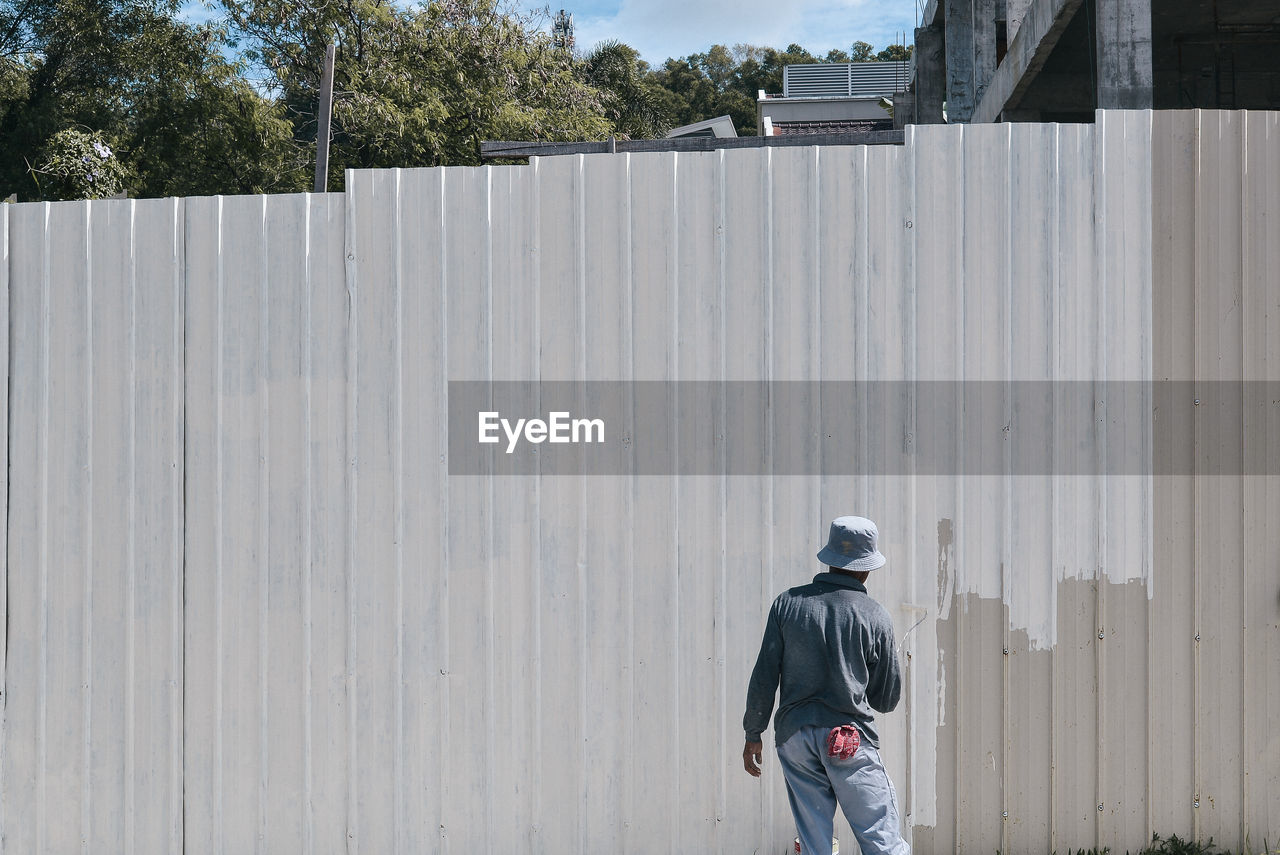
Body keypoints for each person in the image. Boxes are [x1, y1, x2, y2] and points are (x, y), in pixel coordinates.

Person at [742, 515, 909, 855]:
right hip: (846, 740)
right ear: (865, 569)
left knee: (815, 840)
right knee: (881, 836)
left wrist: (752, 734)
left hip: (795, 740)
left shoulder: (787, 604)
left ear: (830, 559)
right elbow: (886, 700)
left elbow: (764, 675)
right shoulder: (875, 616)